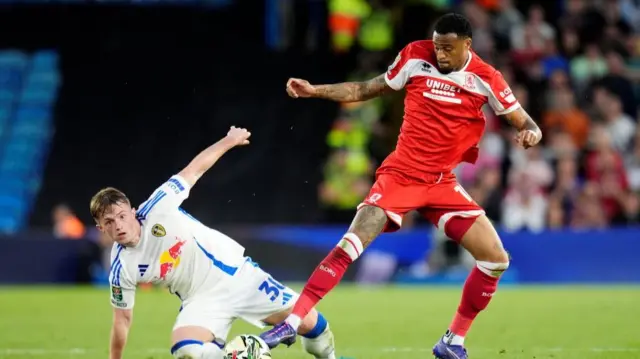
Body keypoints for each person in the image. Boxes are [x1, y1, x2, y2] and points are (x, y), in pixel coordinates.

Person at [260, 13, 542, 359]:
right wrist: (315, 91)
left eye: (448, 49)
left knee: (495, 259)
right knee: (351, 242)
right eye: (437, 46)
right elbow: (366, 88)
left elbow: (525, 121)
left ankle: (452, 341)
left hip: (441, 183)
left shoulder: (486, 78)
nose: (440, 54)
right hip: (401, 175)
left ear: (467, 45)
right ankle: (292, 322)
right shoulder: (414, 56)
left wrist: (531, 133)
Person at [91, 127, 336, 359]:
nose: (119, 225)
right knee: (185, 351)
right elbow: (122, 319)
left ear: (132, 211)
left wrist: (229, 140)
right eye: (109, 222)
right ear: (101, 228)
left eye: (122, 216)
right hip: (200, 300)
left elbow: (193, 170)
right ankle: (236, 354)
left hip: (238, 276)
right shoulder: (121, 267)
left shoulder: (158, 206)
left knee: (313, 326)